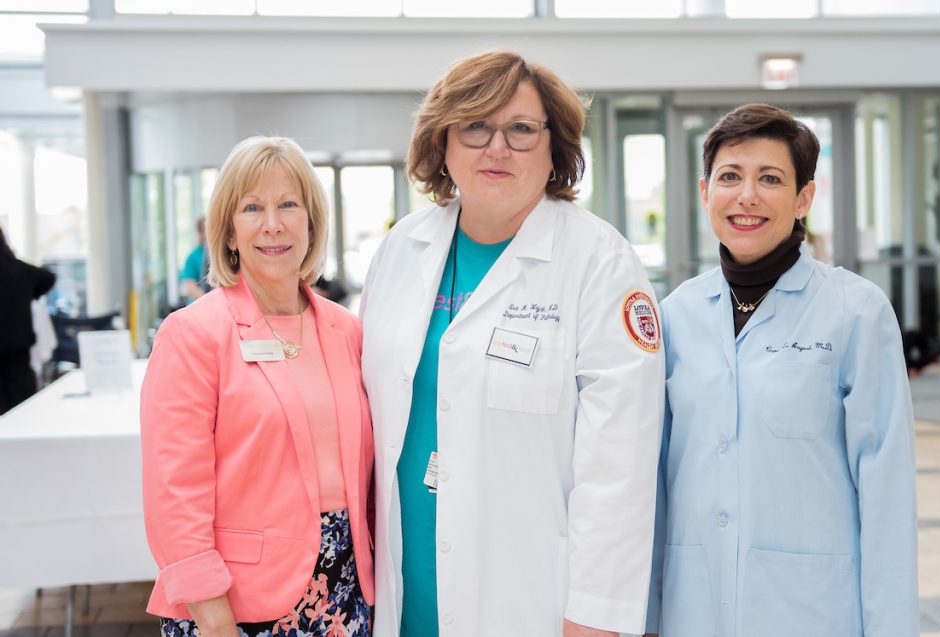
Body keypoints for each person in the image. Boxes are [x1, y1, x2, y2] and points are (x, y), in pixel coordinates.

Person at [360, 50, 665, 637]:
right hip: (404, 597)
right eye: (475, 126)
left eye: (522, 130)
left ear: (556, 148)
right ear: (442, 142)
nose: (496, 148)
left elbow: (619, 468)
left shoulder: (600, 263)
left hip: (533, 606)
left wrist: (595, 618)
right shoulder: (402, 250)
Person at [646, 104, 918, 637]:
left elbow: (887, 492)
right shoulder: (675, 314)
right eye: (730, 177)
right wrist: (648, 617)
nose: (746, 195)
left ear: (803, 199)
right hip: (692, 607)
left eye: (770, 178)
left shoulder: (854, 310)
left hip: (813, 610)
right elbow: (654, 484)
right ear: (705, 193)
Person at [140, 136, 374, 637]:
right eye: (252, 207)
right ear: (227, 232)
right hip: (235, 603)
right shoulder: (194, 333)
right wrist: (213, 617)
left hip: (345, 592)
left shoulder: (345, 330)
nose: (273, 224)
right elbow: (175, 494)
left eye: (289, 204)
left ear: (312, 224)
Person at [0, 226, 56, 414]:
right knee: (22, 413)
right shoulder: (19, 270)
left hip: (16, 351)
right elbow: (48, 277)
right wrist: (30, 294)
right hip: (19, 351)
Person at [180, 216, 210, 303]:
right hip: (200, 305)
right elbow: (190, 288)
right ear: (201, 232)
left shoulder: (219, 253)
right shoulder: (192, 257)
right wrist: (210, 302)